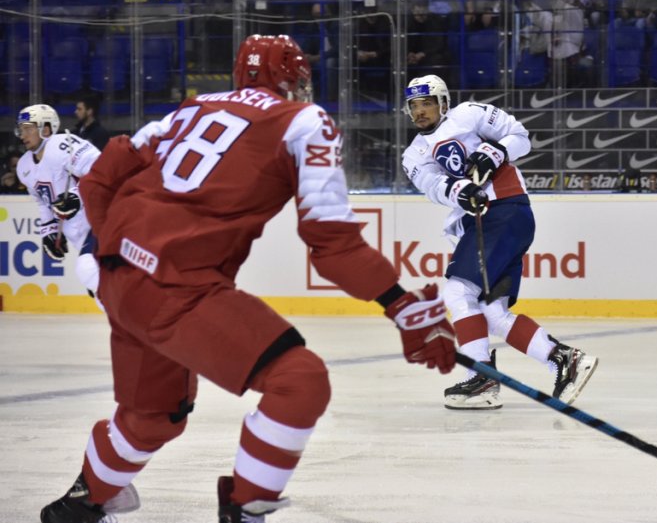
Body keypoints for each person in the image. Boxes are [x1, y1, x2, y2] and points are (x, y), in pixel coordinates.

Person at [39, 35, 456, 523]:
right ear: (292, 80)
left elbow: (99, 178)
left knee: (150, 419)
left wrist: (121, 248)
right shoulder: (305, 120)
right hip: (178, 285)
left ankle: (79, 505)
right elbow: (333, 245)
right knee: (299, 382)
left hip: (116, 276)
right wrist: (401, 305)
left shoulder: (187, 110)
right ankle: (243, 511)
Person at [400, 74, 598, 410]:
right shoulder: (413, 155)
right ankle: (564, 360)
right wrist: (458, 190)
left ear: (443, 103)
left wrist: (495, 152)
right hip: (484, 221)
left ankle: (482, 377)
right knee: (491, 311)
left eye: (427, 103)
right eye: (414, 106)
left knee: (458, 292)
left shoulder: (469, 114)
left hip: (503, 210)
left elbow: (520, 137)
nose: (420, 111)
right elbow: (433, 186)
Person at [14, 104, 102, 301]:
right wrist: (49, 231)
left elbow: (100, 168)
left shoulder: (63, 144)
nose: (23, 135)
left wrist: (76, 195)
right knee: (99, 295)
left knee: (88, 269)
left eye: (28, 128)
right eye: (21, 129)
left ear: (45, 129)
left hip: (100, 221)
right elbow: (42, 200)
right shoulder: (23, 166)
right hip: (78, 233)